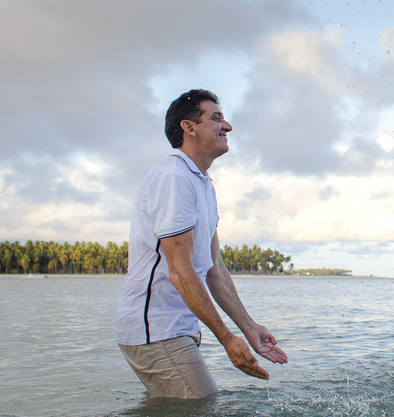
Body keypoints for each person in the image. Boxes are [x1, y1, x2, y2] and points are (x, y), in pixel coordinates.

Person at [115, 89, 287, 398]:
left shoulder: (202, 183)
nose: (228, 127)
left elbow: (214, 270)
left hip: (176, 330)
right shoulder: (173, 178)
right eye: (217, 118)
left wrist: (248, 328)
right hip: (155, 330)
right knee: (206, 413)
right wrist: (226, 338)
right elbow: (180, 272)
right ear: (189, 128)